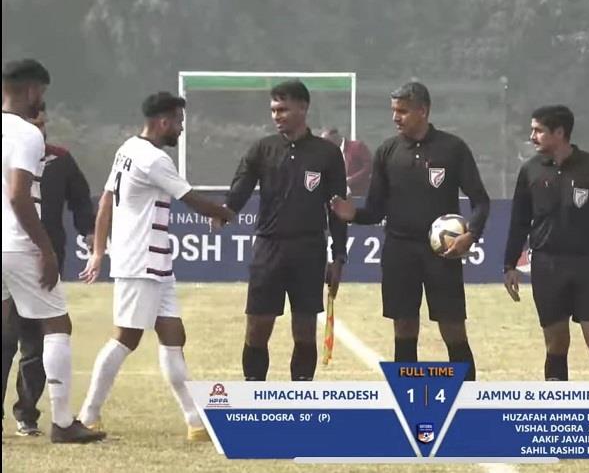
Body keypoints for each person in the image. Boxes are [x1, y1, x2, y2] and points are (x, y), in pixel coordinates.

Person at [77, 92, 234, 440]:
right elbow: (191, 199)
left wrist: (100, 251)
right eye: (178, 122)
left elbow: (105, 201)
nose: (181, 128)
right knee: (126, 338)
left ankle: (195, 422)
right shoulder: (154, 159)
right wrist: (224, 212)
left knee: (174, 336)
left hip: (155, 261)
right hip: (140, 261)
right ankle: (88, 415)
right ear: (163, 122)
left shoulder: (128, 148)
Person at [331, 82, 490, 380]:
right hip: (399, 252)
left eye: (402, 111)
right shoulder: (387, 151)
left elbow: (480, 201)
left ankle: (468, 396)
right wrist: (353, 215)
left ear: (423, 111)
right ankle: (407, 396)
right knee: (404, 327)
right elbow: (376, 210)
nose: (396, 117)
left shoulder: (452, 148)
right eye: (394, 110)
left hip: (442, 255)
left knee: (453, 328)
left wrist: (471, 235)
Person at [1, 58, 104, 443]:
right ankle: (62, 422)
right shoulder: (28, 134)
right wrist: (46, 249)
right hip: (18, 244)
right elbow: (19, 196)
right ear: (32, 90)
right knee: (57, 325)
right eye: (42, 92)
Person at [219, 80, 347, 383]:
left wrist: (339, 256)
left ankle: (300, 397)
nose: (277, 116)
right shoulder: (262, 148)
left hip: (309, 250)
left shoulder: (327, 154)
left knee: (304, 330)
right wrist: (223, 212)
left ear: (303, 108)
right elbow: (238, 192)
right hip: (269, 248)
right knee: (257, 328)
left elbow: (338, 210)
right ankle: (253, 394)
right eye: (274, 110)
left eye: (284, 109)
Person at [503, 105, 589, 382]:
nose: (532, 136)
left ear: (559, 133)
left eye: (538, 131)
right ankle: (557, 404)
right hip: (546, 265)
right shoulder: (529, 170)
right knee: (555, 343)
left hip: (586, 263)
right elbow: (519, 221)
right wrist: (509, 264)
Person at [320, 127, 372, 197]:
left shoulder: (357, 146)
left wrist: (352, 179)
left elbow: (369, 167)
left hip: (358, 194)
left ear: (335, 138)